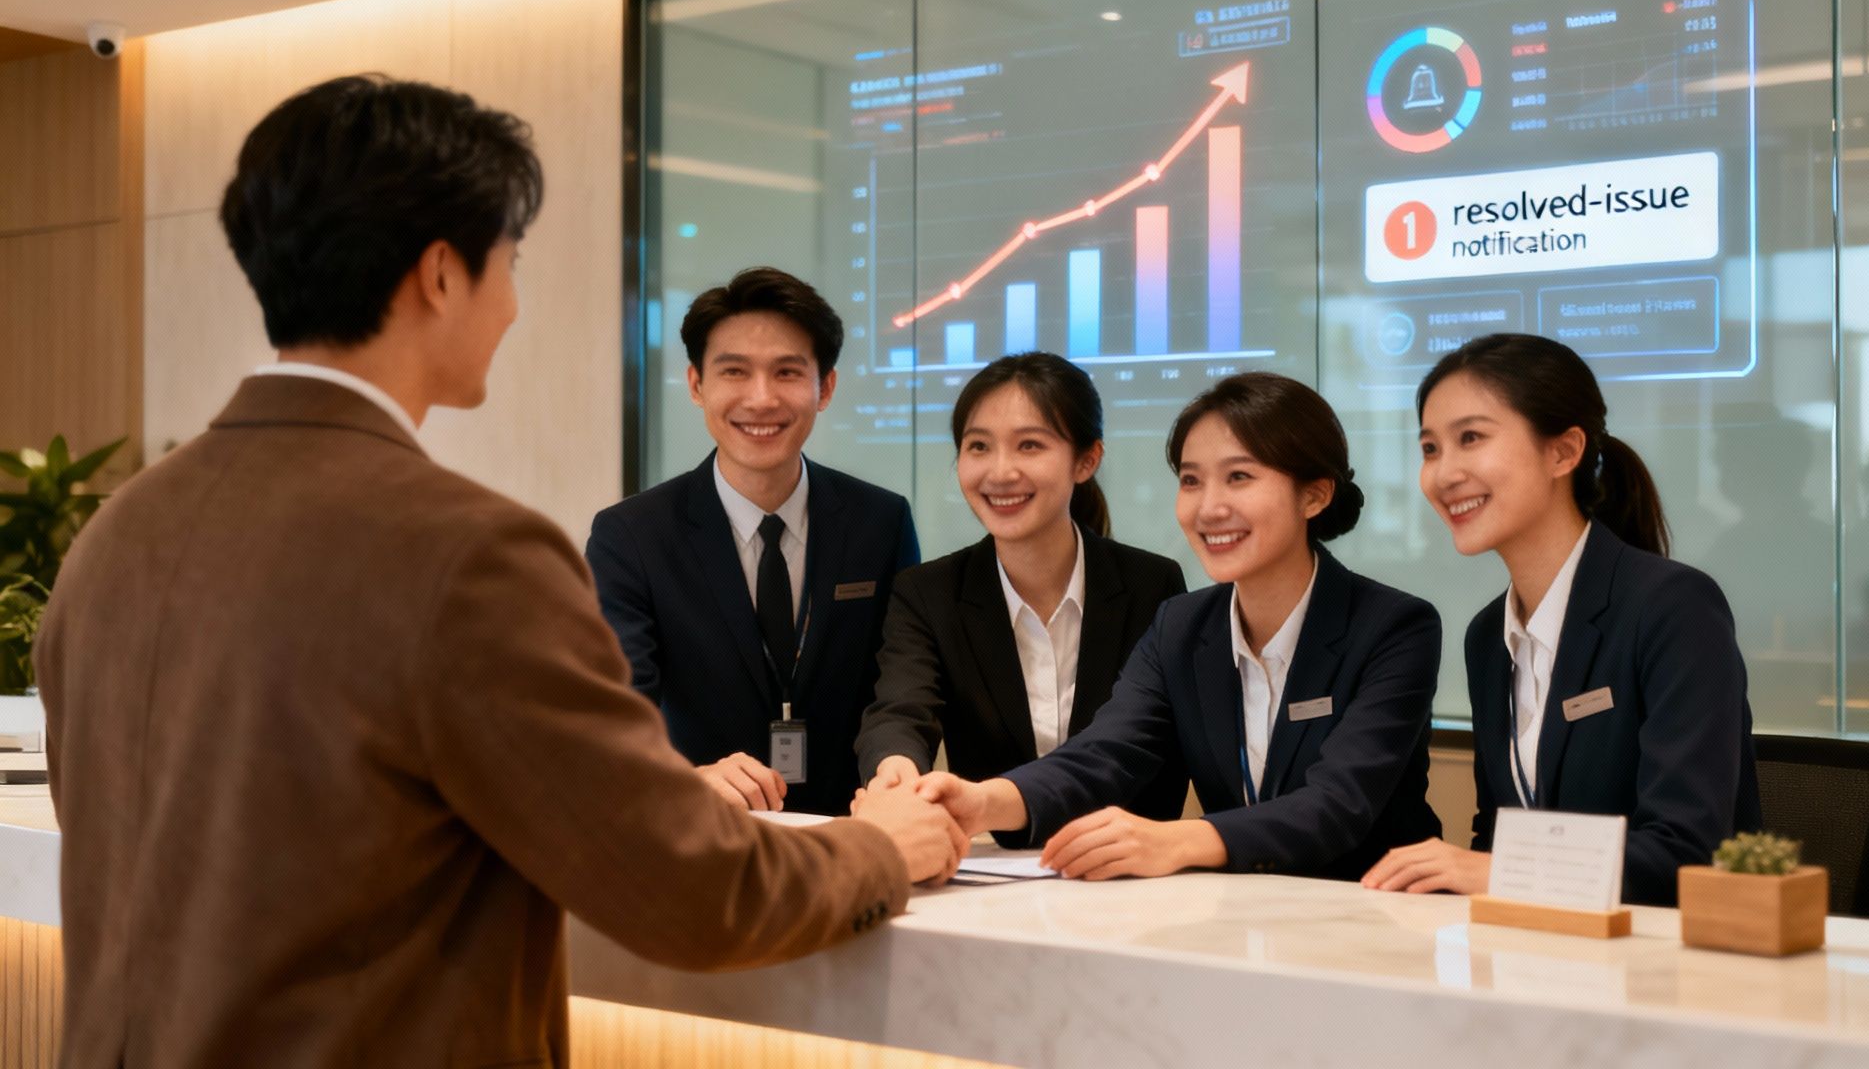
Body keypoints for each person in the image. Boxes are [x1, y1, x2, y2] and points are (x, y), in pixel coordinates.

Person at [34, 75, 965, 1067]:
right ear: (442, 273)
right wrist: (881, 851)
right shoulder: (468, 554)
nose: (514, 305)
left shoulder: (117, 531)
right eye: (508, 262)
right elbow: (685, 894)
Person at [911, 373, 1443, 881]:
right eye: (1191, 480)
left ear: (1315, 495)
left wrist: (1173, 841)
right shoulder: (1182, 625)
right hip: (1236, 919)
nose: (1209, 508)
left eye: (1239, 477)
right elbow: (1107, 752)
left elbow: (1337, 805)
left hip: (1374, 916)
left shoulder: (1395, 627)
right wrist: (983, 801)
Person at [1362, 333, 1760, 906]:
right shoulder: (1486, 636)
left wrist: (1493, 872)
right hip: (1537, 956)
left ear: (1563, 452)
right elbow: (1499, 833)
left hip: (1662, 961)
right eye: (1430, 448)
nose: (1444, 473)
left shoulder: (1673, 606)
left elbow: (1686, 852)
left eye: (1470, 438)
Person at [586, 268, 919, 815]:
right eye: (734, 372)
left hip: (853, 834)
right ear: (696, 385)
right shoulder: (632, 536)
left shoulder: (879, 522)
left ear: (826, 387)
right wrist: (687, 780)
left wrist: (895, 778)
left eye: (787, 372)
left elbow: (898, 689)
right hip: (703, 839)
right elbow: (614, 713)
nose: (761, 399)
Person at [854, 353, 1187, 820]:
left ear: (1086, 459)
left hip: (1125, 860)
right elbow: (900, 710)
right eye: (978, 447)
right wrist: (895, 771)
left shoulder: (1152, 584)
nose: (1000, 472)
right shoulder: (928, 593)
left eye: (1029, 445)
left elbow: (1142, 741)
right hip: (994, 866)